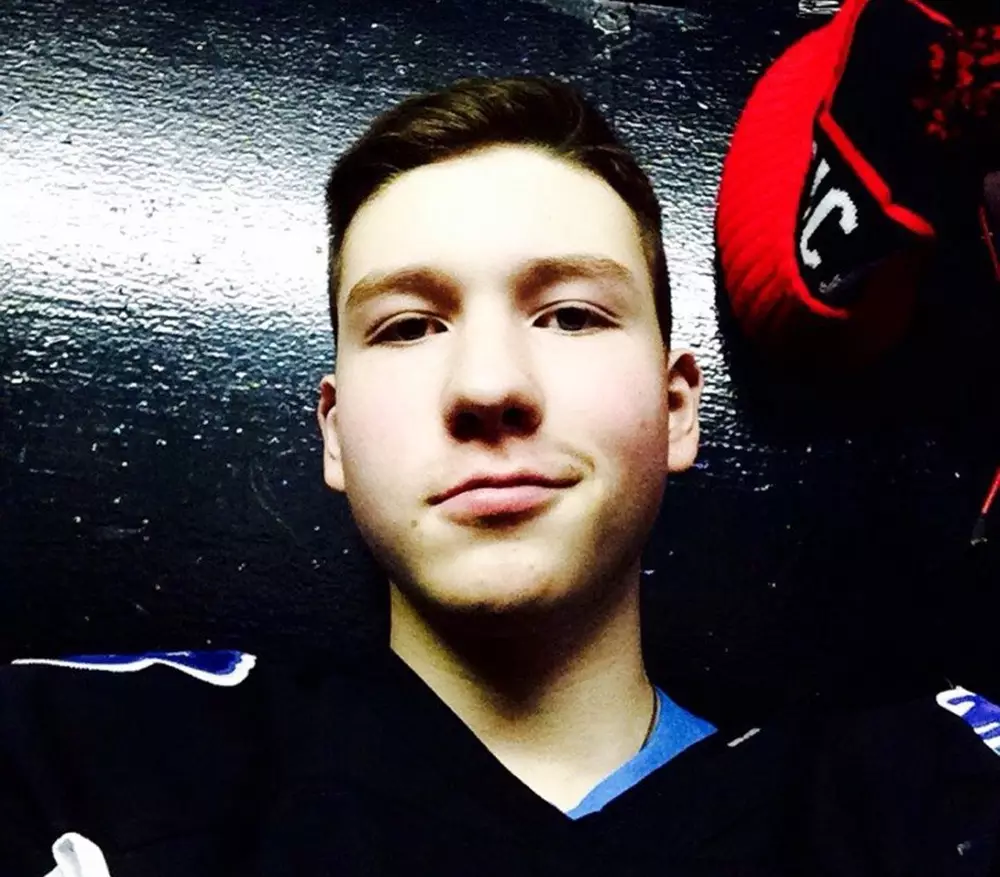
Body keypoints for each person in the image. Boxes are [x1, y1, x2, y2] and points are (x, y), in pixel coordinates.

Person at [2, 68, 1000, 877]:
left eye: (570, 314)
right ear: (335, 434)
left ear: (675, 409)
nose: (488, 385)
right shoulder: (84, 757)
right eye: (408, 326)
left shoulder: (926, 794)